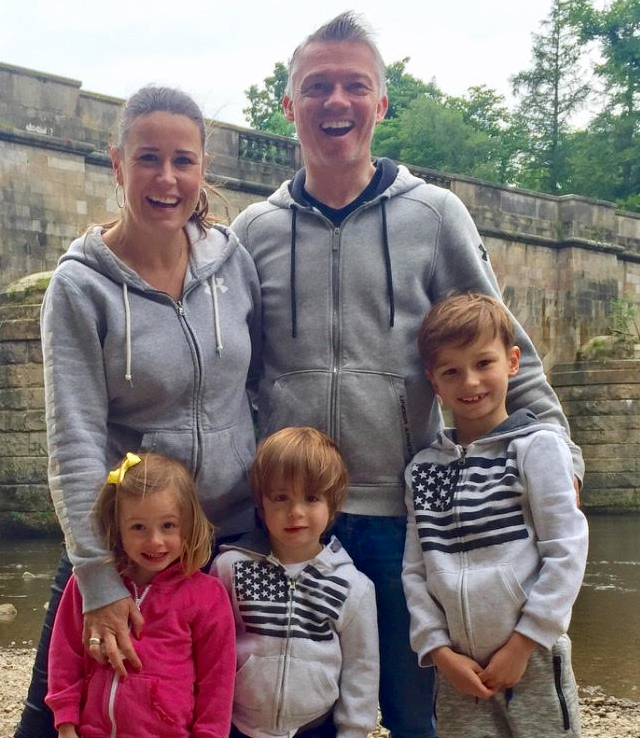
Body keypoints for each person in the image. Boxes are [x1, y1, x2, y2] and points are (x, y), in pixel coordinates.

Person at [230, 12, 584, 738]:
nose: (337, 101)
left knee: (418, 712)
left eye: (355, 86)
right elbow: (231, 377)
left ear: (380, 104)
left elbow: (503, 345)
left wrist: (561, 454)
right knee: (301, 710)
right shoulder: (252, 234)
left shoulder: (434, 215)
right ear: (290, 105)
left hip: (405, 517)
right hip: (291, 520)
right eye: (316, 86)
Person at [13, 86, 261, 738]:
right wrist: (99, 580)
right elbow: (74, 438)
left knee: (208, 718)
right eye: (148, 158)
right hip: (124, 544)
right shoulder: (79, 286)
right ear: (117, 164)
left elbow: (259, 383)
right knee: (56, 717)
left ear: (203, 167)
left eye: (184, 160)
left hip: (227, 540)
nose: (167, 178)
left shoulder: (234, 263)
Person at [402, 293, 588, 737]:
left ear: (512, 361)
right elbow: (415, 570)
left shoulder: (538, 447)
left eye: (483, 363)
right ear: (434, 382)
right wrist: (439, 652)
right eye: (452, 371)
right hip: (457, 667)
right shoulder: (423, 469)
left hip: (534, 657)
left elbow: (566, 550)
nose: (469, 382)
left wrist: (525, 643)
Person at [46, 452, 236, 738]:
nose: (155, 541)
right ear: (117, 527)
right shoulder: (89, 585)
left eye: (168, 526)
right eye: (138, 527)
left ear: (188, 524)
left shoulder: (207, 596)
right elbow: (65, 654)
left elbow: (217, 683)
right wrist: (65, 723)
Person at [211, 426, 379, 738]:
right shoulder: (228, 568)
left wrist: (354, 731)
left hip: (315, 727)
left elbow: (362, 670)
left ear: (332, 507)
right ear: (262, 506)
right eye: (281, 498)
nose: (295, 512)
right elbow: (209, 651)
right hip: (236, 726)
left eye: (311, 498)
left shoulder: (353, 586)